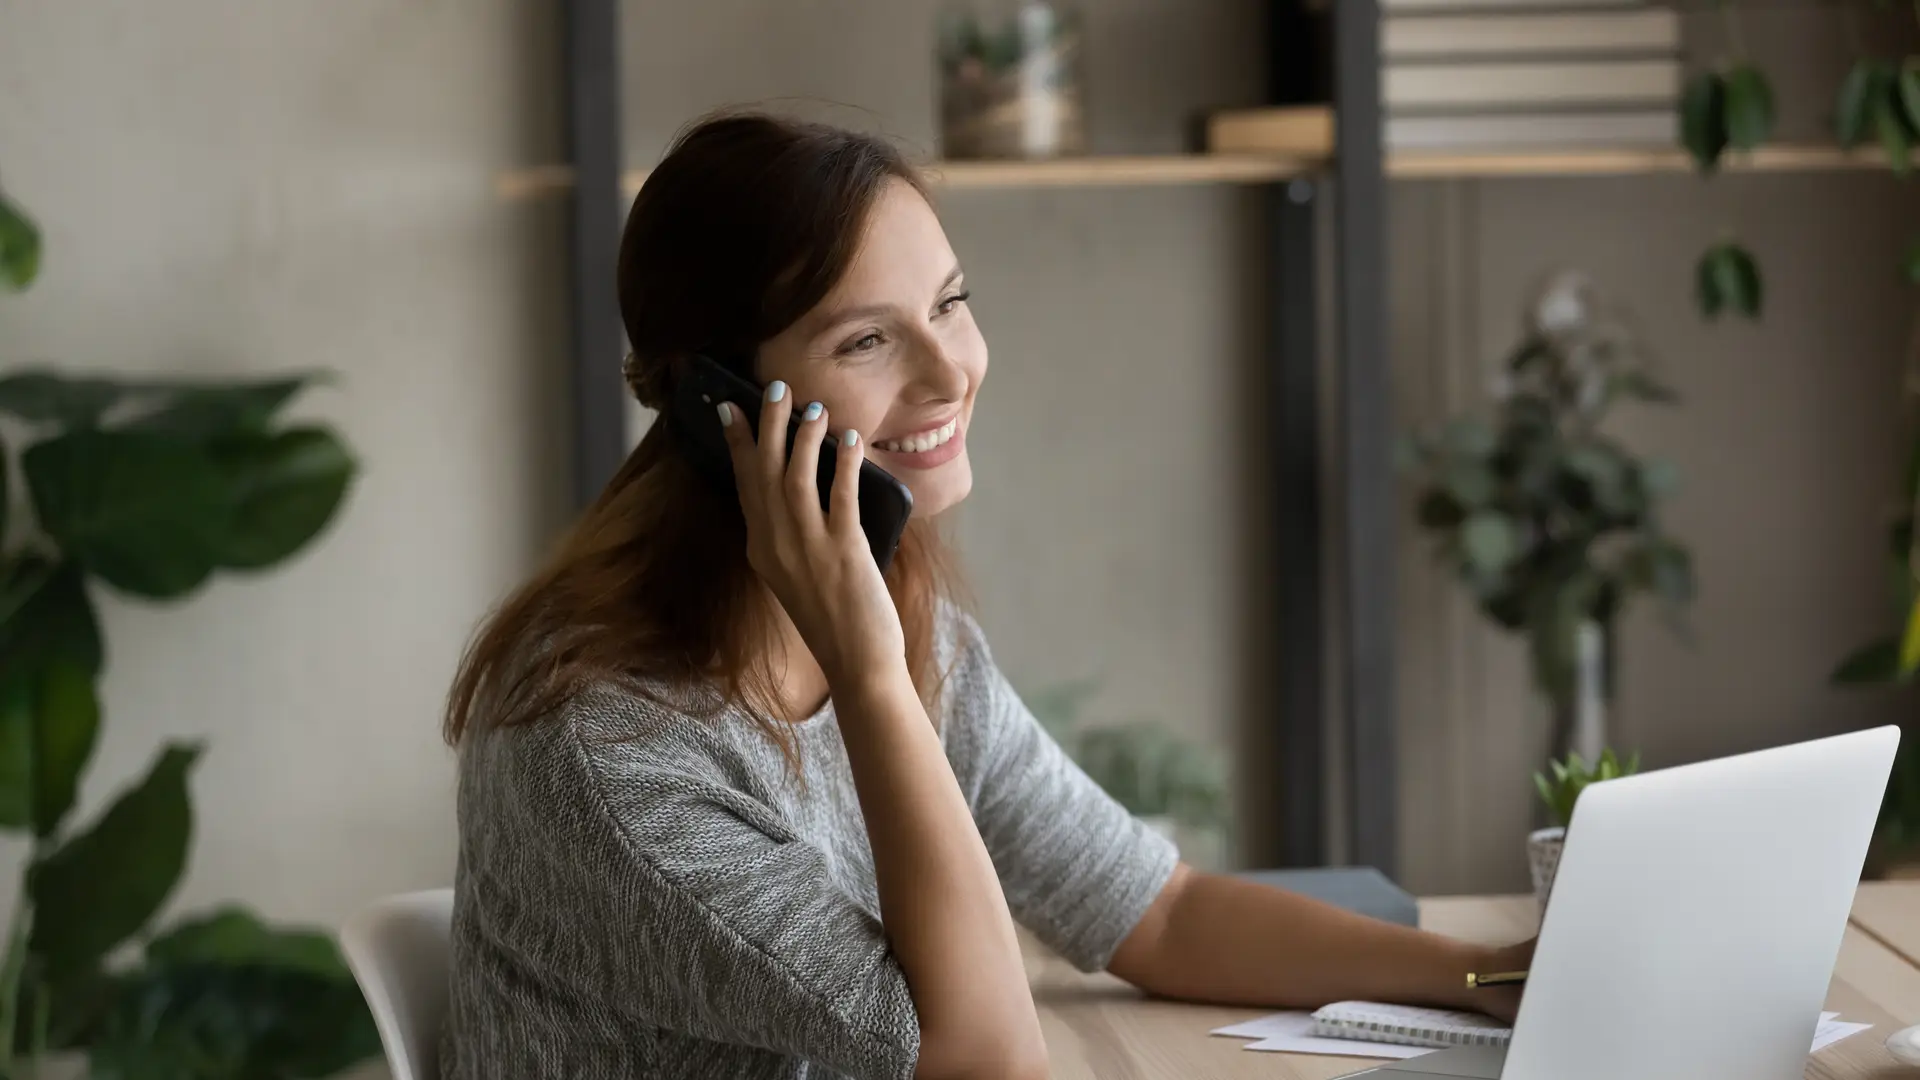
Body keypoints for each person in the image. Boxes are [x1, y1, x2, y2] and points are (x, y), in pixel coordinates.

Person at [439, 111, 1531, 1080]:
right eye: (867, 339)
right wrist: (870, 674)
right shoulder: (605, 752)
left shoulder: (907, 627)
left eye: (949, 304)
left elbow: (1157, 910)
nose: (950, 369)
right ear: (720, 406)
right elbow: (985, 1058)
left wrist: (1488, 975)